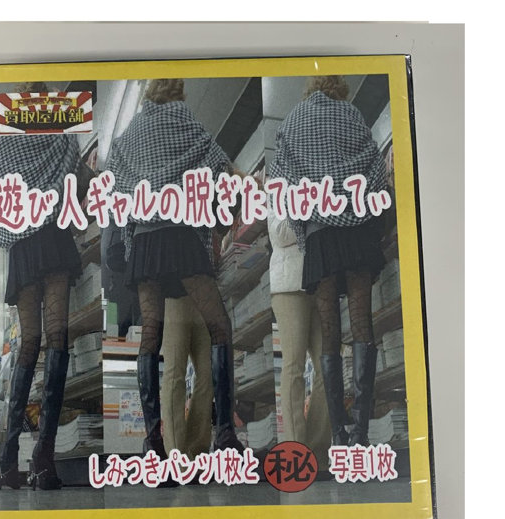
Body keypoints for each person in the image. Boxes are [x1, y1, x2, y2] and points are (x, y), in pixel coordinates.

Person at [104, 78, 243, 459]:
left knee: (151, 335)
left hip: (145, 243)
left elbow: (115, 191)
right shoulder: (186, 121)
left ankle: (153, 440)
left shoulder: (128, 135)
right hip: (182, 237)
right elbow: (224, 170)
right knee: (220, 327)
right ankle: (225, 432)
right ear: (179, 93)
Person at [0, 82, 94, 489]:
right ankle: (44, 458)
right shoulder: (60, 130)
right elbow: (76, 174)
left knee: (29, 343)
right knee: (58, 338)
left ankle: (8, 456)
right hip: (53, 238)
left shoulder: (0, 138)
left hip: (22, 246)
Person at [269, 75, 387, 447]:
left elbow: (282, 183)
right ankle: (361, 433)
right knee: (362, 323)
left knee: (330, 332)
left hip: (321, 234)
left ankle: (338, 432)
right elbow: (376, 168)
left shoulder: (293, 120)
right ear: (340, 90)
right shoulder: (353, 115)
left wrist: (305, 226)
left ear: (310, 89)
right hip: (358, 229)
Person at [267, 209, 331, 469]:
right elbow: (280, 234)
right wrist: (310, 209)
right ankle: (296, 450)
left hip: (321, 280)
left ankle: (318, 450)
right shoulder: (278, 192)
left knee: (328, 365)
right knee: (294, 364)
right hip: (288, 286)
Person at [161, 296, 213, 460]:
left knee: (209, 374)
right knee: (175, 373)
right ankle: (177, 454)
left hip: (204, 298)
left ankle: (197, 451)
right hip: (175, 293)